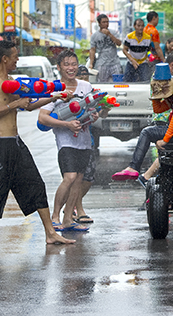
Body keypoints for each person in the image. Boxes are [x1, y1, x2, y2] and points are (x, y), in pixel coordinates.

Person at [0, 40, 75, 248]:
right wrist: (14, 104)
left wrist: (54, 97)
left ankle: (50, 233)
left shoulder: (12, 80)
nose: (17, 60)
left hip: (16, 143)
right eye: (14, 56)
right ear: (5, 59)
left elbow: (28, 106)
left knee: (36, 184)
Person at [111, 63, 173, 182]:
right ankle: (157, 183)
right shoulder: (172, 93)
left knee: (147, 133)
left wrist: (165, 139)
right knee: (159, 146)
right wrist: (156, 95)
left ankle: (133, 167)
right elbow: (158, 109)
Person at [39, 50, 95, 232]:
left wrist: (95, 115)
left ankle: (68, 218)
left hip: (85, 141)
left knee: (78, 179)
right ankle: (55, 216)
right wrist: (66, 124)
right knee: (69, 177)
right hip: (66, 142)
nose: (71, 68)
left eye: (73, 64)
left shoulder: (86, 86)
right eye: (66, 65)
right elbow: (42, 118)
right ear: (59, 67)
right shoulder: (54, 89)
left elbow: (95, 109)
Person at [72, 65, 98, 224]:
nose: (83, 79)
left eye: (85, 76)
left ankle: (72, 205)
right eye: (80, 76)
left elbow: (99, 112)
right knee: (75, 177)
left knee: (88, 177)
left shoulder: (91, 93)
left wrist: (104, 109)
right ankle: (77, 209)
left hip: (88, 141)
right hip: (71, 141)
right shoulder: (72, 94)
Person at [89, 14, 123, 83]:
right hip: (102, 63)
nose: (106, 24)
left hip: (115, 62)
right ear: (99, 23)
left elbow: (119, 43)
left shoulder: (113, 32)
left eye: (107, 22)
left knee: (118, 82)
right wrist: (91, 63)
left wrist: (109, 34)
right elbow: (92, 50)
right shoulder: (95, 36)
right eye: (103, 22)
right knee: (102, 83)